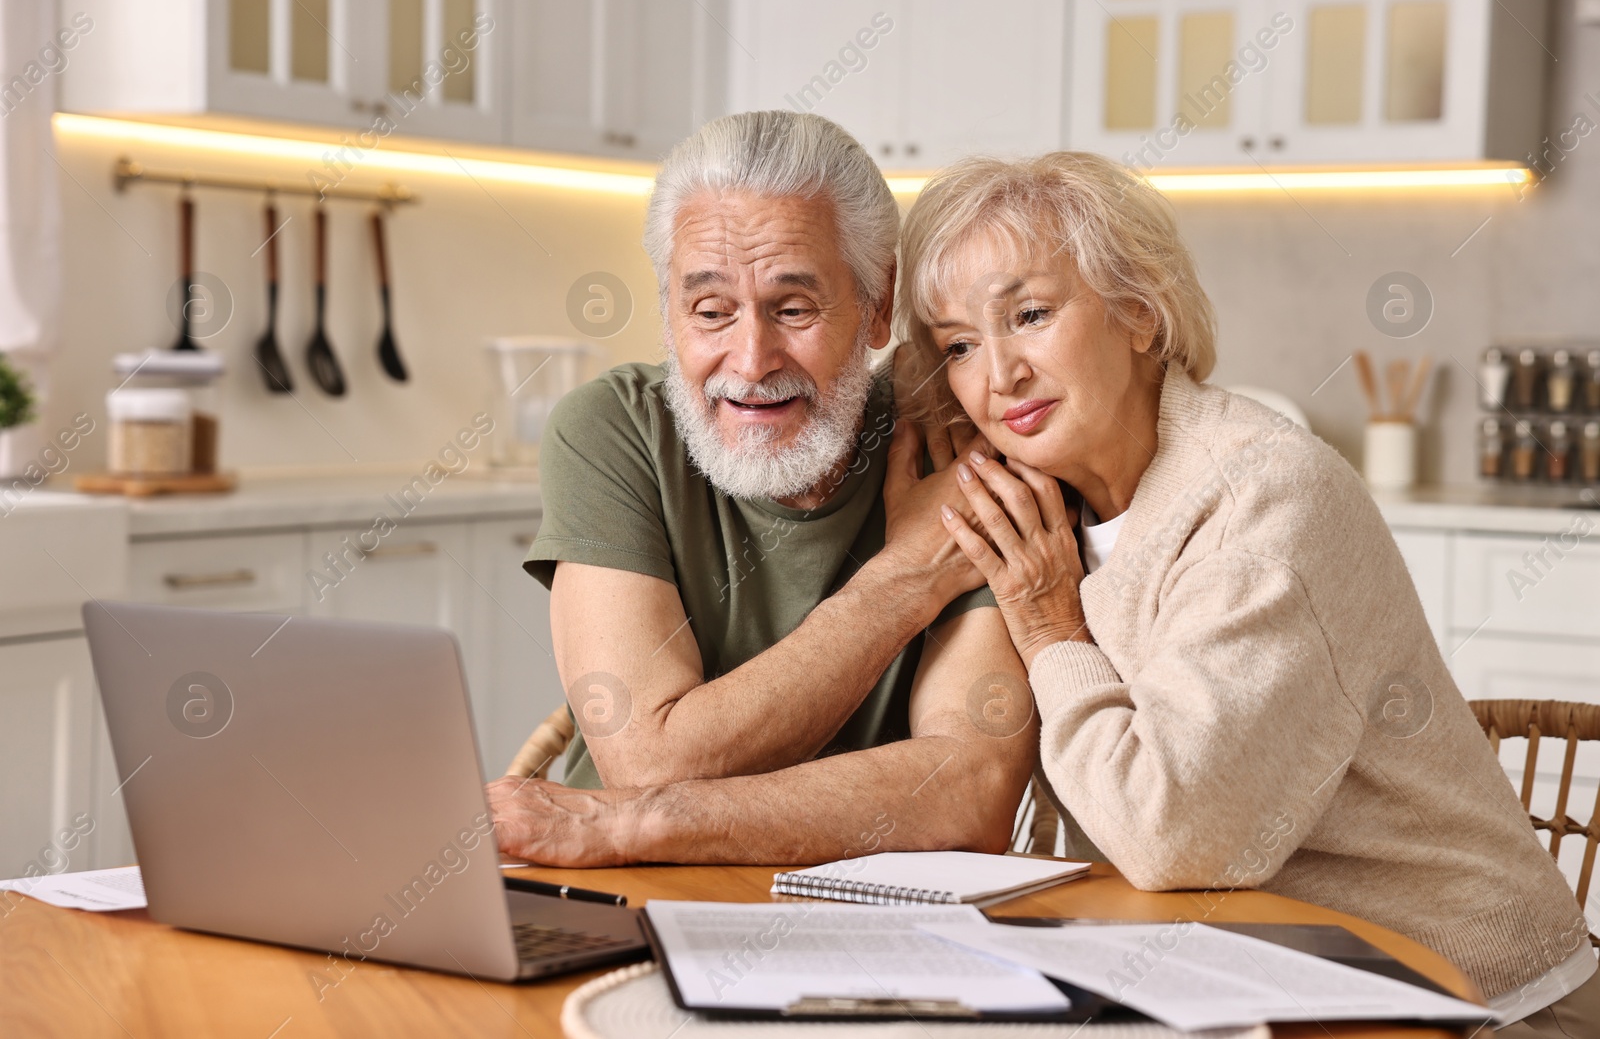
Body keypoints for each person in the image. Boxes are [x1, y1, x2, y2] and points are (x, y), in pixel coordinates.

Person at [893, 150, 1597, 1034]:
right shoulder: (1047, 496)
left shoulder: (1265, 499)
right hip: (1238, 967)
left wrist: (1047, 625)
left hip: (1468, 1000)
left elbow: (1170, 831)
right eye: (959, 345)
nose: (998, 374)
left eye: (1029, 314)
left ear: (1141, 314)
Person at [486, 111, 1036, 866]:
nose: (749, 360)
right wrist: (907, 577)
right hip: (625, 896)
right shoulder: (614, 430)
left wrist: (632, 823)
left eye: (793, 308)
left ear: (878, 304)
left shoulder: (952, 437)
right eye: (710, 311)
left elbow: (971, 787)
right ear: (668, 312)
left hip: (866, 928)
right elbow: (649, 763)